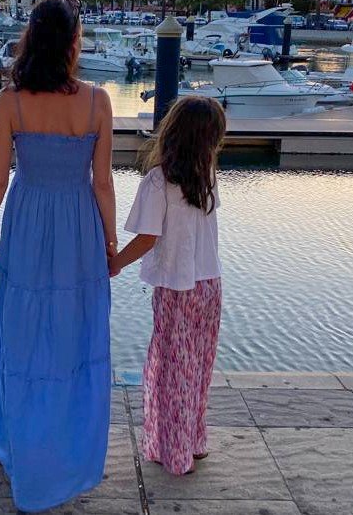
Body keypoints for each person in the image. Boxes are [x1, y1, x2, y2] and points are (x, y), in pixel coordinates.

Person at [0, 0, 116, 512]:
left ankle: (23, 448)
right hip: (78, 227)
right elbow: (102, 183)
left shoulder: (9, 102)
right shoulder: (98, 101)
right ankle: (64, 450)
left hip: (28, 223)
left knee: (24, 336)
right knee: (72, 338)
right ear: (75, 42)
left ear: (31, 38)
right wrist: (110, 244)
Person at [109, 96, 227, 476]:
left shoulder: (159, 180)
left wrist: (114, 263)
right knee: (198, 367)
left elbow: (148, 238)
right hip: (210, 285)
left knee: (173, 370)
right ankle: (194, 441)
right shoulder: (206, 175)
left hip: (177, 288)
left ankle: (176, 454)